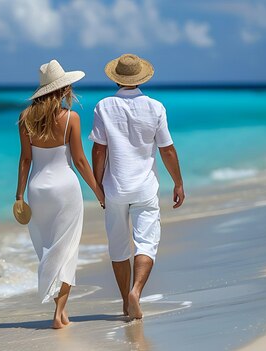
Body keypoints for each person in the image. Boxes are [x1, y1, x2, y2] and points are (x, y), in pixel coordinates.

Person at [89, 54, 185, 320]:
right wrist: (178, 182)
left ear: (116, 78)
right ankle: (136, 292)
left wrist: (98, 185)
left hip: (115, 187)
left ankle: (124, 303)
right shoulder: (156, 107)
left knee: (118, 246)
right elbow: (167, 150)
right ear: (141, 77)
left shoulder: (103, 106)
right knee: (146, 243)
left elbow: (99, 150)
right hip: (144, 188)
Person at [15, 59, 105, 329]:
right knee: (66, 250)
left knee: (48, 248)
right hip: (66, 189)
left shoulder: (25, 118)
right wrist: (98, 191)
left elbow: (25, 160)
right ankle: (59, 312)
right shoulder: (71, 119)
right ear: (63, 89)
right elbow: (79, 160)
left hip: (38, 190)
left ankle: (60, 310)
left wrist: (19, 195)